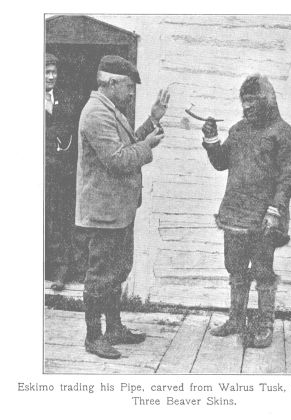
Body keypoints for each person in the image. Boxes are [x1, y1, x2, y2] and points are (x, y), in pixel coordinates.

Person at [76, 55, 170, 359]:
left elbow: (127, 146)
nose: (131, 93)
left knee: (117, 269)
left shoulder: (110, 110)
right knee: (100, 274)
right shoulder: (95, 114)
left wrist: (153, 120)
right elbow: (118, 160)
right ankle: (94, 336)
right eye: (128, 86)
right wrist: (150, 146)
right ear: (112, 82)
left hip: (118, 210)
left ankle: (114, 328)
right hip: (104, 212)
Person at [201, 74, 291, 348]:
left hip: (264, 217)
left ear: (267, 101)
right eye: (244, 101)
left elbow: (288, 177)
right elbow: (221, 162)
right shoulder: (238, 130)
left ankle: (265, 325)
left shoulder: (283, 132)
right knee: (235, 268)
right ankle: (236, 319)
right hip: (234, 214)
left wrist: (274, 211)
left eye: (253, 100)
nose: (247, 106)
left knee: (263, 271)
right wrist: (211, 139)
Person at [45, 53, 80, 291]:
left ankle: (60, 272)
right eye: (46, 72)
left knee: (59, 220)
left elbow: (67, 131)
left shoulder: (65, 99)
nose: (50, 77)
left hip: (57, 172)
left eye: (53, 72)